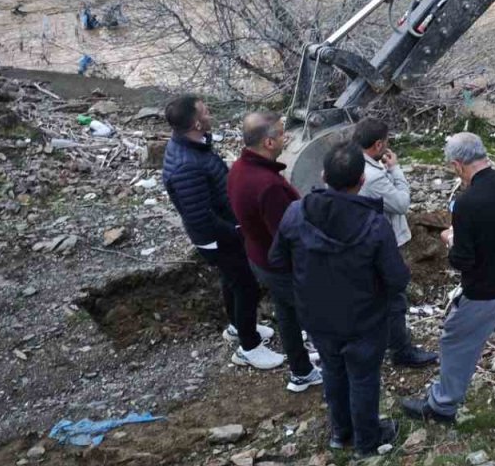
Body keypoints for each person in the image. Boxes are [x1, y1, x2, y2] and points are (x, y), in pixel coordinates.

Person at [270, 141, 405, 457]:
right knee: (363, 377)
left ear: (323, 176)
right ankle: (366, 442)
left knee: (333, 370)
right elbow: (397, 279)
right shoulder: (375, 224)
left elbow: (276, 260)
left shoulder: (296, 213)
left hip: (317, 317)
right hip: (364, 320)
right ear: (362, 181)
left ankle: (340, 432)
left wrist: (304, 286)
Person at [399, 132, 495, 424]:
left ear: (458, 165)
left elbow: (462, 261)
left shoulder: (466, 203)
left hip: (484, 293)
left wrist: (452, 238)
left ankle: (442, 406)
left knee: (455, 343)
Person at [161, 95, 284, 370]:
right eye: (205, 111)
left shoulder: (192, 145)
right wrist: (238, 231)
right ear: (195, 123)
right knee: (245, 286)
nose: (210, 113)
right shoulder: (186, 165)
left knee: (232, 282)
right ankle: (249, 348)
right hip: (218, 238)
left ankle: (238, 327)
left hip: (223, 233)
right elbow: (200, 217)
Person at [227, 112, 322, 392]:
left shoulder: (239, 168)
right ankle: (328, 367)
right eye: (281, 133)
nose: (286, 137)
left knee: (286, 313)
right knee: (318, 313)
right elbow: (288, 234)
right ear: (268, 142)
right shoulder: (268, 186)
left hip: (260, 256)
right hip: (281, 265)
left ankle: (301, 371)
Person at [352, 118, 438, 368]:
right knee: (394, 298)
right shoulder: (372, 176)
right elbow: (401, 204)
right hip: (382, 243)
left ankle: (375, 338)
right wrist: (396, 170)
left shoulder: (348, 161)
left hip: (358, 239)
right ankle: (401, 350)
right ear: (379, 145)